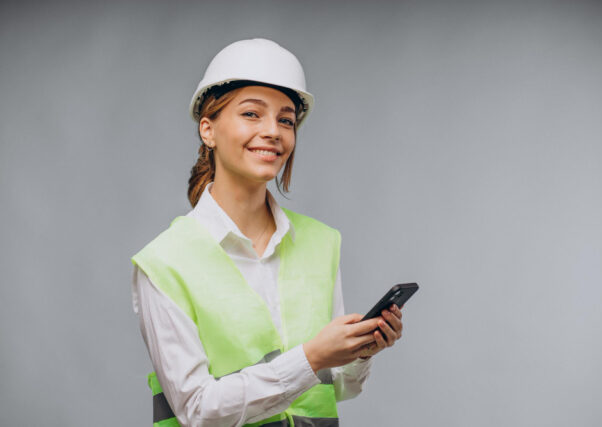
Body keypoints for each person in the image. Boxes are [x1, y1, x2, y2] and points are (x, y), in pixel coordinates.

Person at [130, 38, 404, 427]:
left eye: (286, 120)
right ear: (208, 129)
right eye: (252, 114)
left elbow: (338, 388)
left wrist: (361, 352)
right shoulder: (164, 263)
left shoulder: (322, 242)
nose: (273, 131)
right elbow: (198, 410)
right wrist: (311, 357)